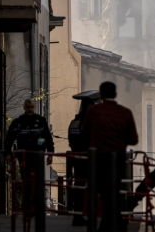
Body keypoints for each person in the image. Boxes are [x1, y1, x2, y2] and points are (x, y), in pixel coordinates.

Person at [83, 82, 138, 232]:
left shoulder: (93, 111)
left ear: (100, 95)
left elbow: (85, 131)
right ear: (115, 94)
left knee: (104, 193)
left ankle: (109, 226)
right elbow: (133, 139)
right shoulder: (125, 112)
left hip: (98, 158)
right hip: (118, 158)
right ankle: (116, 224)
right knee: (113, 191)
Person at [4, 99, 54, 214]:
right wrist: (7, 153)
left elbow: (48, 137)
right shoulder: (18, 122)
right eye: (28, 107)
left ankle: (37, 205)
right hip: (24, 156)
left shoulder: (41, 121)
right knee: (25, 180)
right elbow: (9, 138)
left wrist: (50, 154)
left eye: (31, 107)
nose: (30, 110)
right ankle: (26, 206)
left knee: (38, 180)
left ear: (34, 107)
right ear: (24, 108)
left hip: (38, 155)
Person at [68, 90, 100, 227]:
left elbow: (72, 140)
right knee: (101, 187)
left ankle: (78, 215)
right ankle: (99, 215)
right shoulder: (93, 123)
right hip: (93, 160)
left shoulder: (74, 122)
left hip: (77, 159)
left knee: (79, 187)